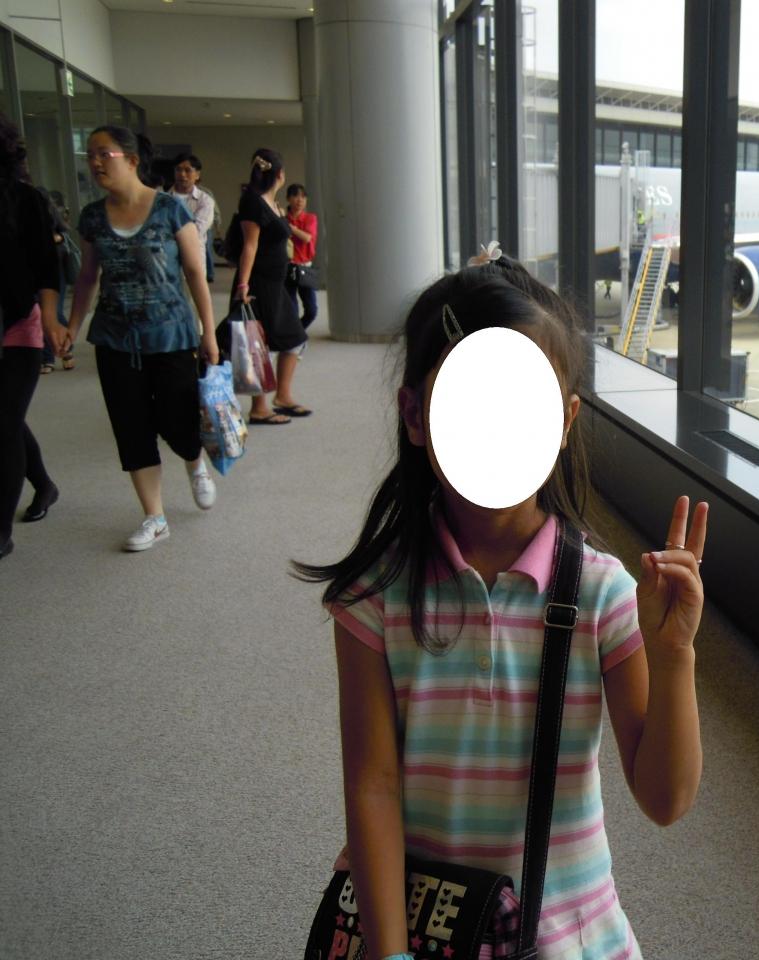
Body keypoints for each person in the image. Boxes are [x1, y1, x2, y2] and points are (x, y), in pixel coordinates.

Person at [293, 255, 709, 959]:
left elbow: (665, 799)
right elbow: (372, 787)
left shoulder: (602, 594)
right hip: (427, 933)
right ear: (416, 414)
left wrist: (674, 659)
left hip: (565, 935)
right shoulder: (374, 599)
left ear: (564, 421)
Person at [63, 126, 220, 552]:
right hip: (115, 339)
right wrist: (72, 327)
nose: (95, 162)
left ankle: (194, 461)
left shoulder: (170, 209)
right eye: (90, 155)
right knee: (131, 427)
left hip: (170, 335)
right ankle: (155, 517)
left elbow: (195, 272)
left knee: (177, 420)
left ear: (132, 160)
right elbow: (87, 277)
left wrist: (208, 332)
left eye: (104, 154)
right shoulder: (93, 217)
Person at [0, 111, 64, 559]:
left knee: (3, 426)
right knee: (5, 418)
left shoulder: (25, 200)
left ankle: (1, 530)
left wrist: (53, 321)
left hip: (17, 325)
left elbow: (47, 267)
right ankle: (43, 484)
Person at [226, 148, 309, 424]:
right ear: (280, 174)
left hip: (276, 284)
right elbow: (249, 246)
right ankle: (259, 408)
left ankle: (282, 396)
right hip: (258, 283)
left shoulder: (272, 203)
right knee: (257, 342)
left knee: (294, 338)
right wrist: (243, 284)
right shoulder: (252, 203)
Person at [38, 187, 78, 374]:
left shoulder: (51, 219)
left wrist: (55, 239)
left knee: (55, 312)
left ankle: (66, 349)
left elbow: (63, 238)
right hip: (35, 273)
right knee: (41, 314)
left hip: (55, 272)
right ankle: (48, 358)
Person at [166, 152, 216, 285]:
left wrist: (171, 233)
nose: (182, 174)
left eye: (188, 170)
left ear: (197, 174)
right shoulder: (163, 199)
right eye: (178, 170)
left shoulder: (205, 201)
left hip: (193, 262)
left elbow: (196, 231)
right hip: (167, 263)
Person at [284, 183, 319, 330]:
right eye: (296, 196)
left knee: (312, 310)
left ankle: (297, 332)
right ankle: (295, 336)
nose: (300, 200)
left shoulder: (310, 218)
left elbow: (307, 238)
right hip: (288, 267)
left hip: (305, 268)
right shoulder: (282, 218)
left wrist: (291, 228)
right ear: (288, 198)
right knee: (292, 309)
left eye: (303, 197)